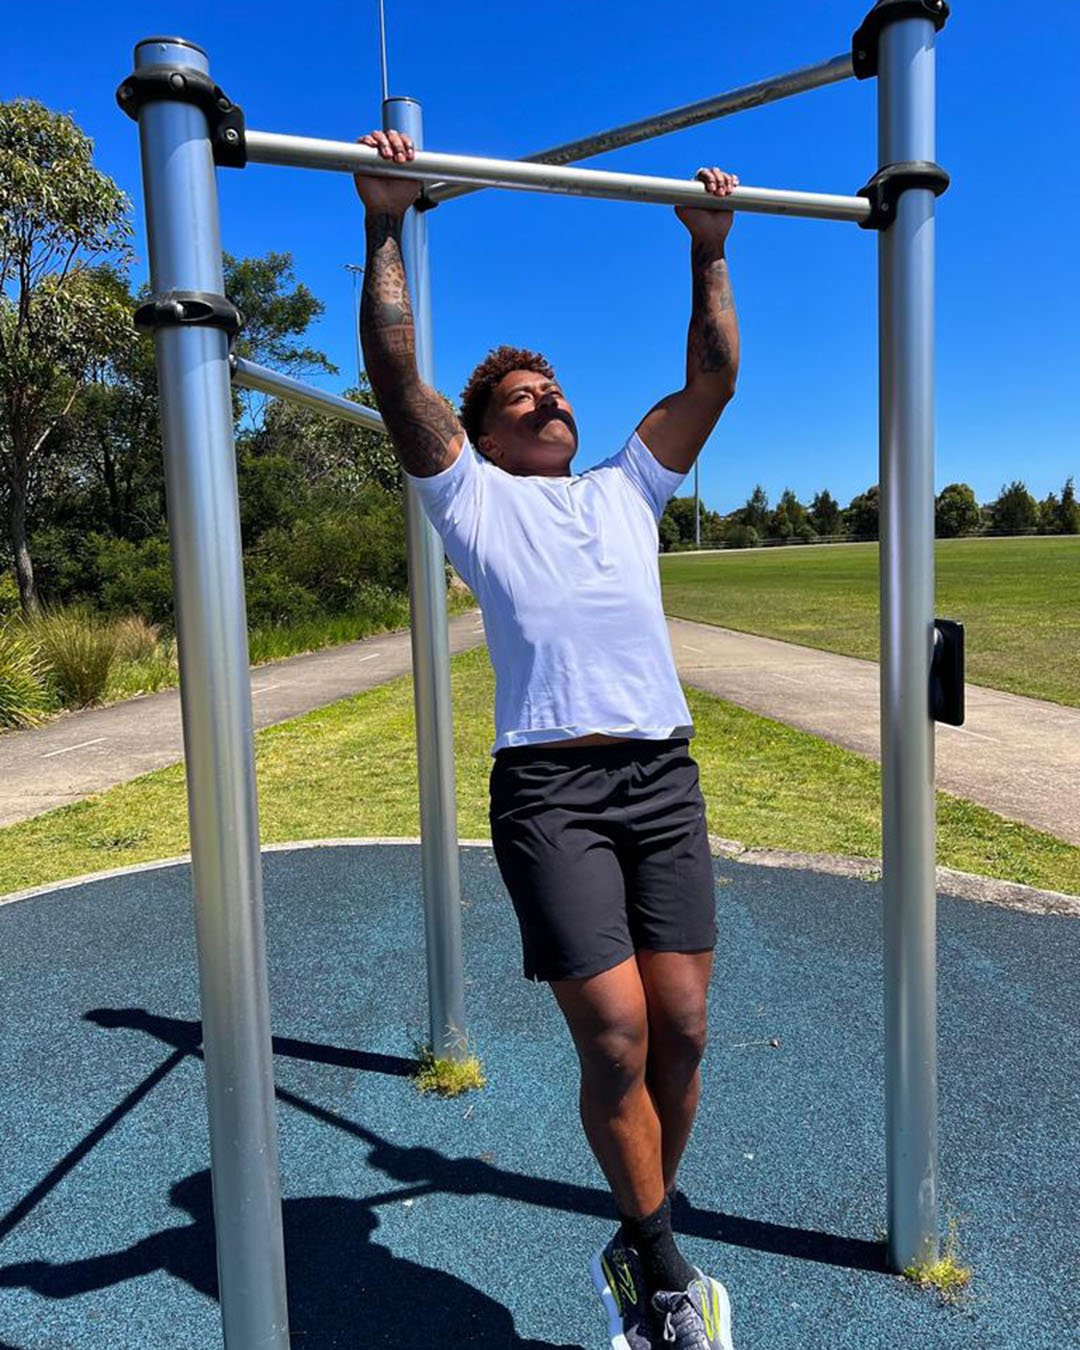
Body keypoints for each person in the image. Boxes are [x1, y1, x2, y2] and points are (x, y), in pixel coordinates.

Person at [354, 127, 740, 1350]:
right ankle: (671, 1275)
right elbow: (397, 378)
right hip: (552, 792)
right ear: (489, 431)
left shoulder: (629, 484)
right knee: (616, 1033)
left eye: (556, 388)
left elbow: (713, 378)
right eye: (526, 398)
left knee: (679, 1032)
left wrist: (709, 252)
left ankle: (638, 1240)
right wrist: (384, 223)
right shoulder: (470, 498)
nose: (552, 400)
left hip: (661, 775)